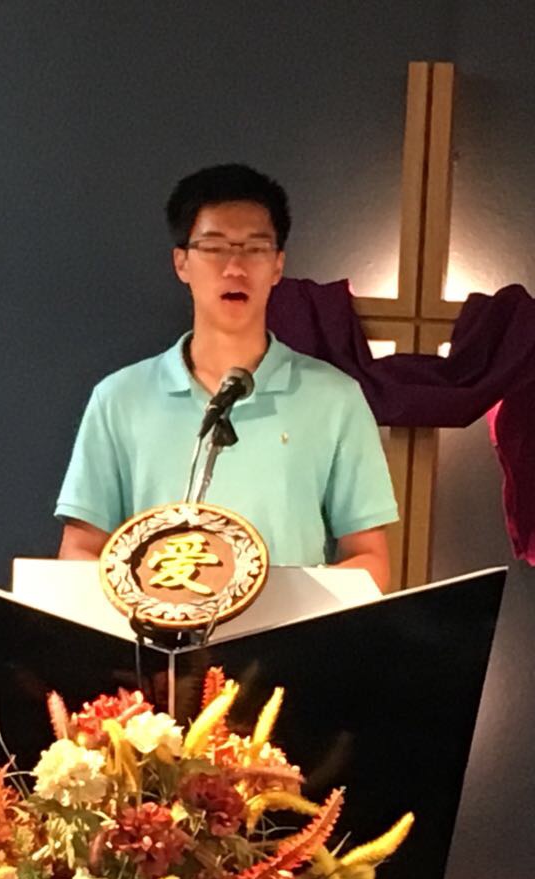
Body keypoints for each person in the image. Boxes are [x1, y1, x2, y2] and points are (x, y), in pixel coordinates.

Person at [54, 164, 397, 591]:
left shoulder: (335, 399)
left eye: (255, 248)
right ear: (181, 262)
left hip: (286, 633)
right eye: (214, 247)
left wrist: (281, 604)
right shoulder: (119, 398)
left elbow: (369, 559)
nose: (235, 267)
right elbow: (80, 550)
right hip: (150, 633)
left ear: (278, 265)